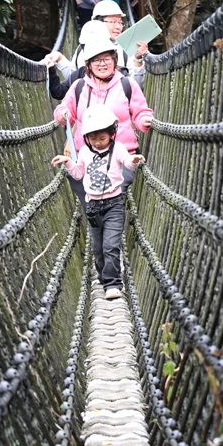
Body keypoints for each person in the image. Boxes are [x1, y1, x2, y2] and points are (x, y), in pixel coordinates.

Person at [52, 105, 144, 299]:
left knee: (111, 245)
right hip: (93, 207)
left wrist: (134, 160)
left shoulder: (117, 148)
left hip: (114, 205)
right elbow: (78, 173)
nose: (98, 142)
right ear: (86, 137)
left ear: (112, 134)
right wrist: (68, 162)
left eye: (102, 138)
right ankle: (104, 278)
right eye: (93, 139)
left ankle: (113, 283)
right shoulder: (85, 152)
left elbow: (126, 162)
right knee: (98, 249)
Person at [53, 38, 153, 194]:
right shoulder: (79, 86)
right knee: (92, 207)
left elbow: (141, 112)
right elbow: (66, 109)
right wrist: (61, 114)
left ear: (114, 61)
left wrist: (144, 121)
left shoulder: (127, 84)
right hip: (85, 157)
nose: (102, 64)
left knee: (113, 200)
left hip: (121, 156)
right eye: (97, 61)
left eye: (107, 59)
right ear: (89, 65)